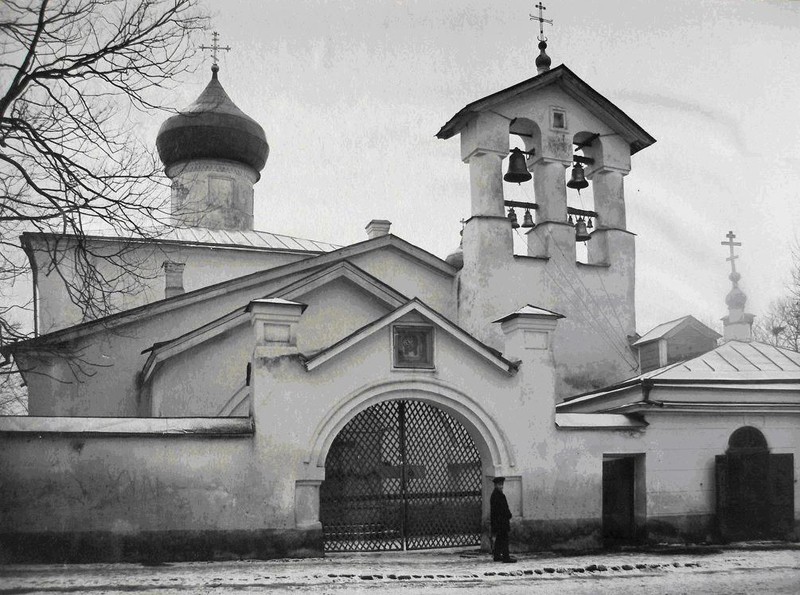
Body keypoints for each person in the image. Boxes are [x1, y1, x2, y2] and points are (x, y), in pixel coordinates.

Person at [490, 476, 516, 563]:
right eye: (499, 485)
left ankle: (497, 555)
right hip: (501, 521)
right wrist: (508, 514)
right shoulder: (498, 496)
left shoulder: (496, 495)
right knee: (504, 539)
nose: (501, 486)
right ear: (495, 485)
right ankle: (506, 557)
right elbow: (502, 509)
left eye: (502, 484)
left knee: (500, 538)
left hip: (499, 521)